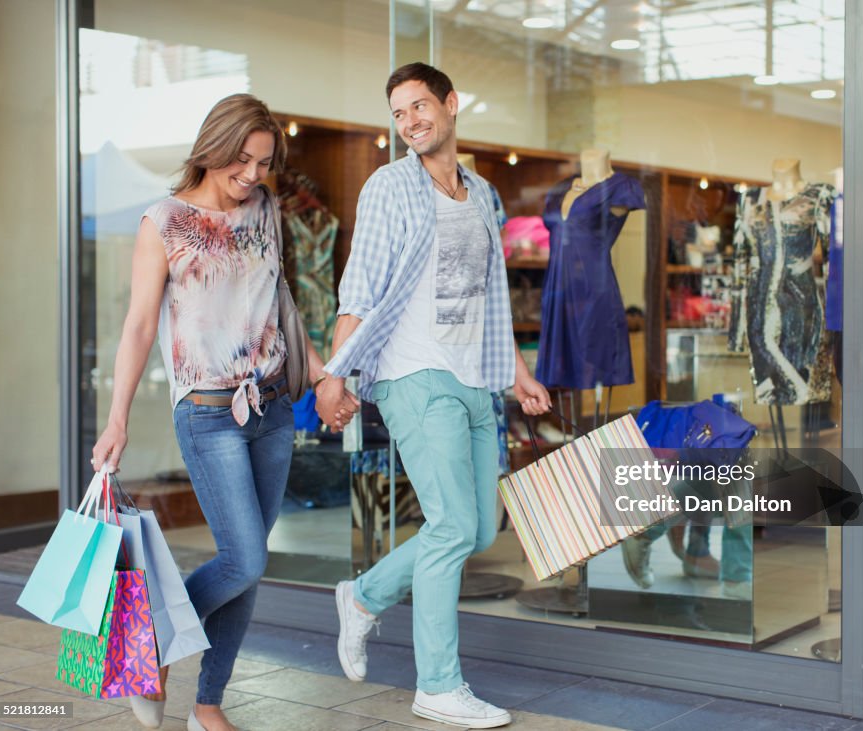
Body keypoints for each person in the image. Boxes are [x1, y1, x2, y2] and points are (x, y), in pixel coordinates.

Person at [314, 62, 551, 729]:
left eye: (420, 105)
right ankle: (438, 685)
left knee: (476, 526)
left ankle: (362, 597)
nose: (411, 121)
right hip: (413, 374)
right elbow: (358, 287)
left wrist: (519, 373)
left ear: (450, 104)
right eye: (398, 112)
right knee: (449, 525)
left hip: (475, 376)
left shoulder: (484, 195)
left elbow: (489, 298)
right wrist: (335, 373)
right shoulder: (389, 186)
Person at [91, 94, 327, 731]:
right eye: (242, 160)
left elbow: (280, 300)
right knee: (245, 559)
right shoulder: (164, 221)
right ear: (214, 146)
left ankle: (207, 705)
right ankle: (149, 647)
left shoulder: (266, 208)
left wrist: (321, 369)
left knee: (245, 571)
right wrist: (117, 420)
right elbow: (140, 326)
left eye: (264, 163)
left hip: (273, 407)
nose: (252, 174)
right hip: (208, 412)